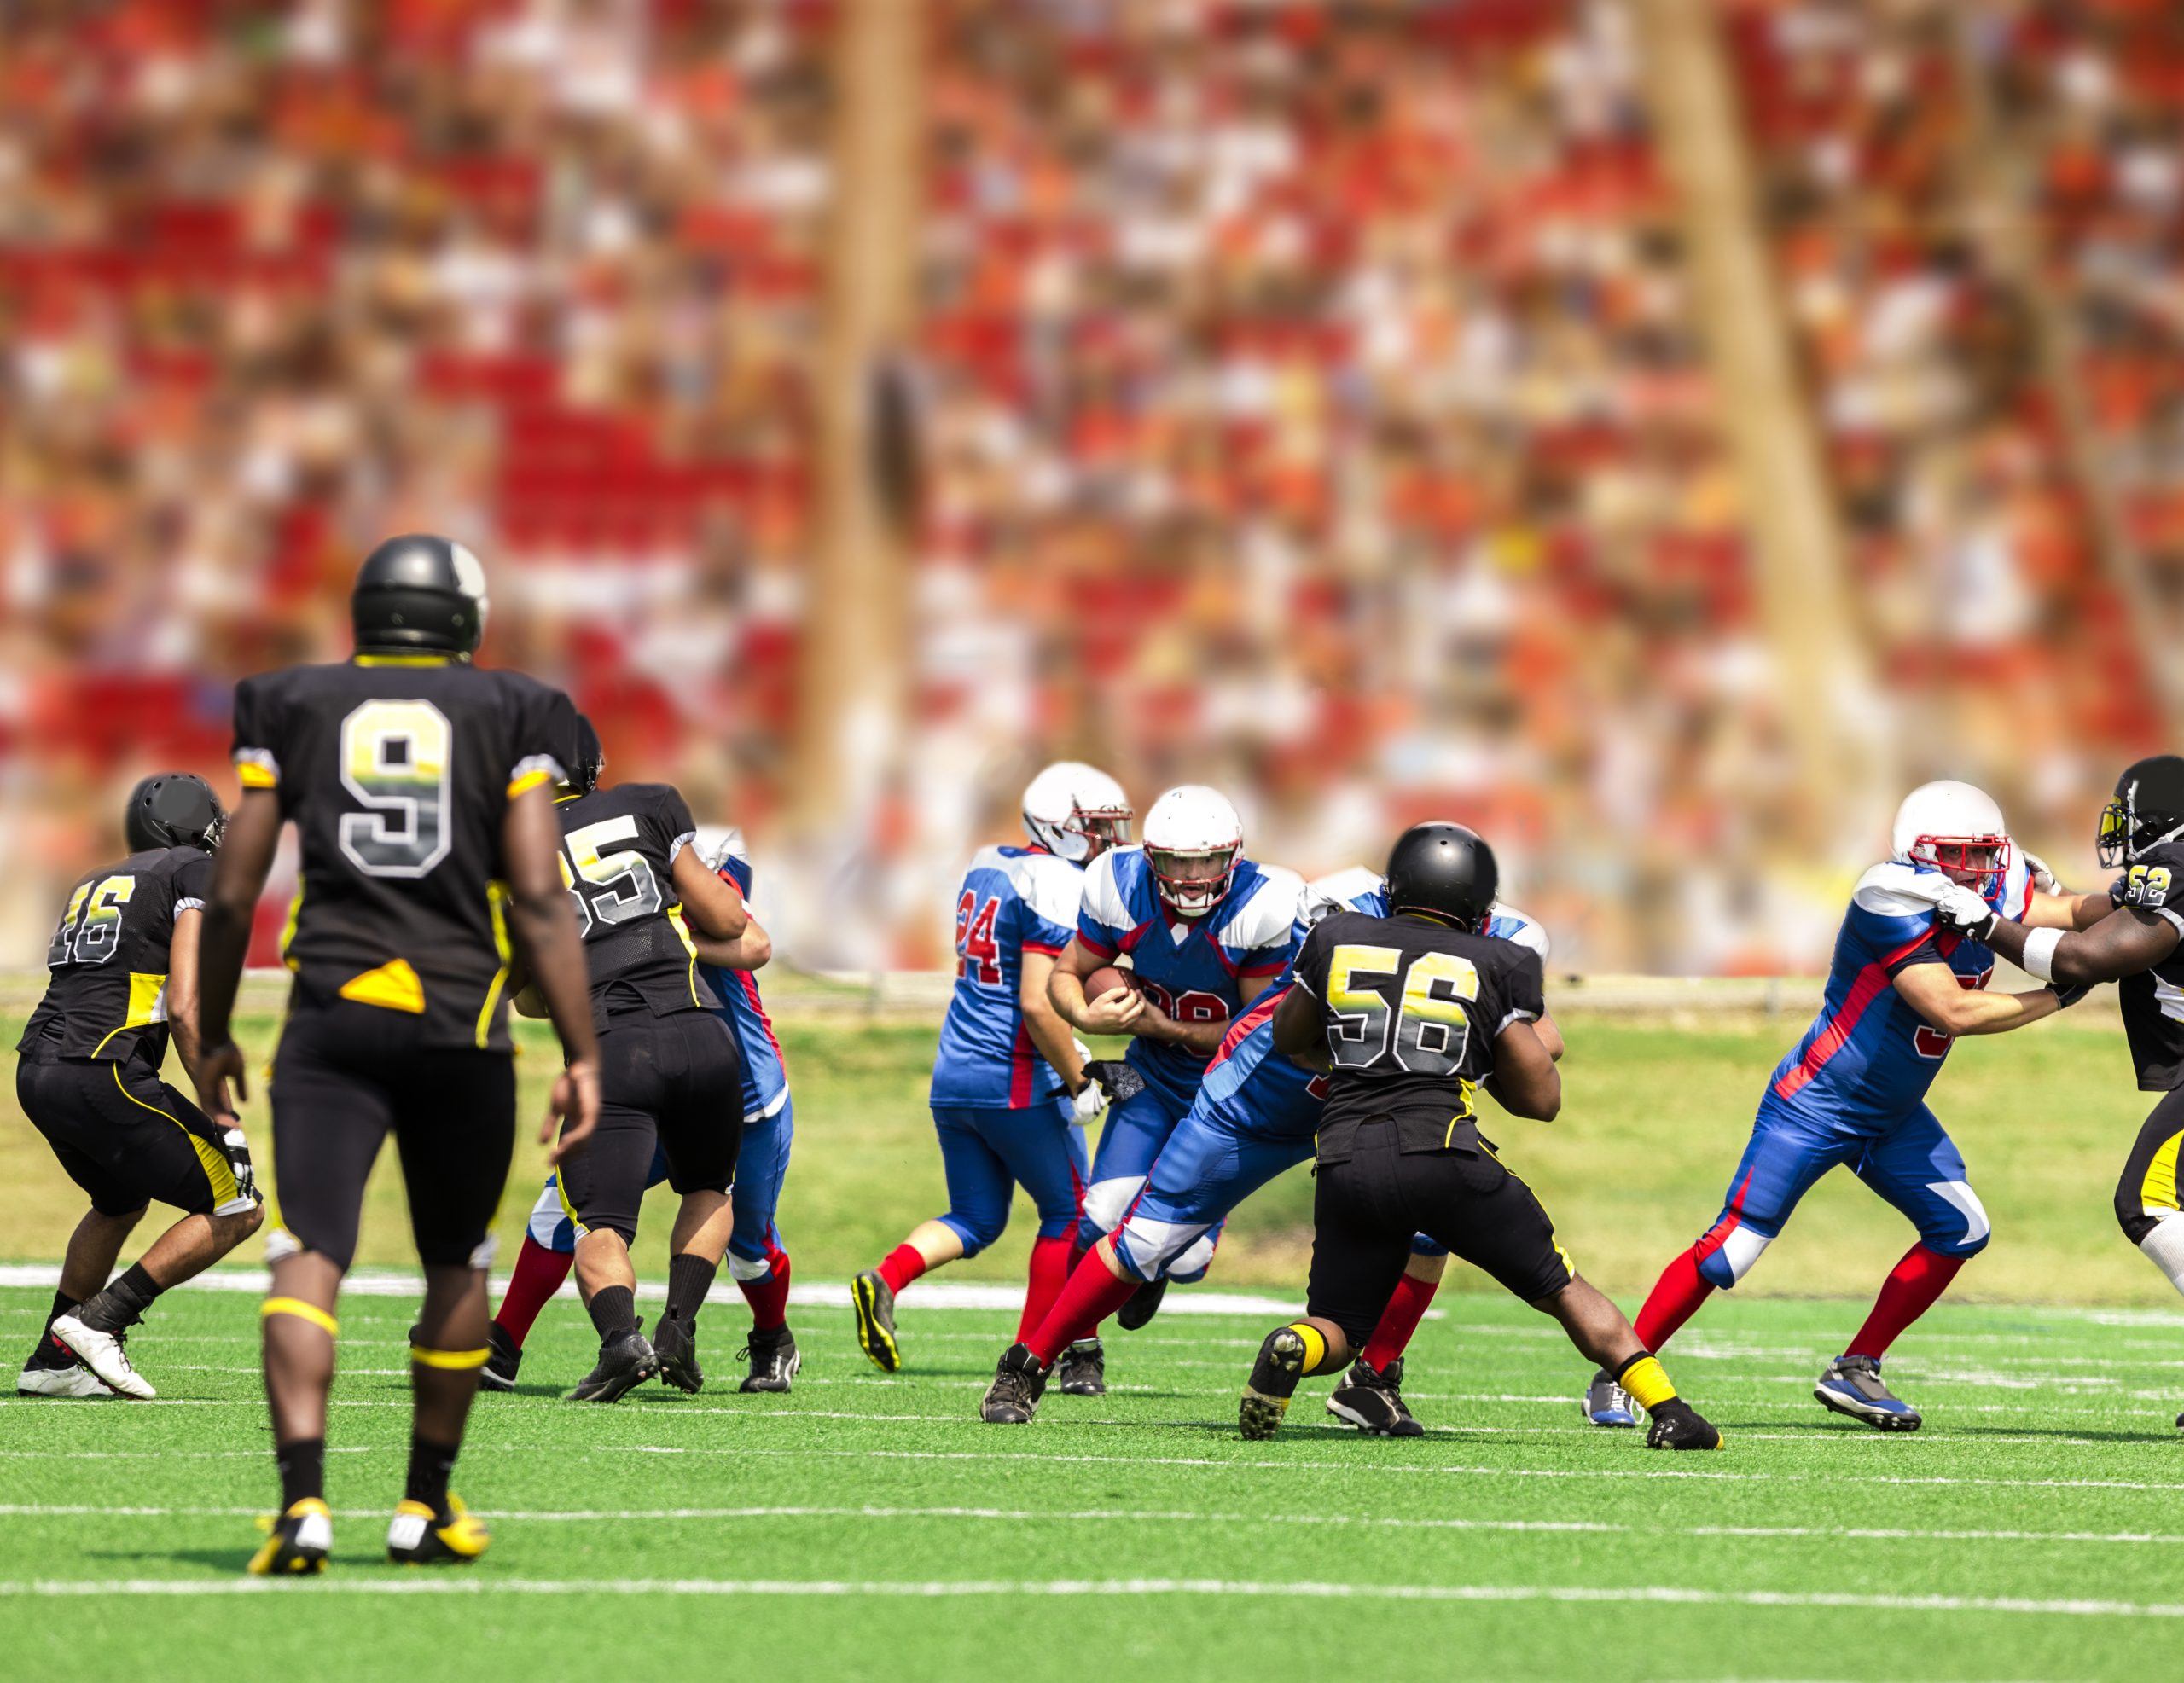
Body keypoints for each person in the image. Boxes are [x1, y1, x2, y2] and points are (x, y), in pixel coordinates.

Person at [194, 534, 601, 1575]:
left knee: (309, 1250)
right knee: (455, 1256)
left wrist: (209, 1029)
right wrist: (583, 1047)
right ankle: (423, 1503)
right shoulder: (513, 707)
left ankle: (302, 1505)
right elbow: (539, 892)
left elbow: (235, 886)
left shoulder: (288, 698)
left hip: (330, 1014)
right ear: (463, 615)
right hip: (458, 1019)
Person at [981, 855, 1558, 1432]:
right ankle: (1028, 1363)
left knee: (1431, 1230)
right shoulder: (1340, 910)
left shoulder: (1507, 936)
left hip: (1370, 1117)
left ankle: (1372, 1381)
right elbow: (1316, 1034)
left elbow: (1545, 1039)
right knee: (1146, 1241)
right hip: (1260, 1103)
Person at [1610, 781, 2081, 1434]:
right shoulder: (1890, 896)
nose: (1977, 870)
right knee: (1733, 1248)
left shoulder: (1997, 886)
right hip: (1817, 1103)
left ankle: (1857, 1367)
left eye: (1984, 854)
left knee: (1962, 1227)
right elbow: (1952, 1009)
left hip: (1891, 1113)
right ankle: (1618, 1370)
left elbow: (2073, 911)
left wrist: (2152, 905)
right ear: (1918, 853)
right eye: (1958, 854)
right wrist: (2059, 996)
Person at [1244, 821, 1722, 1450]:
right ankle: (1671, 1410)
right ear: (1479, 904)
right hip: (1441, 1153)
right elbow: (1541, 1099)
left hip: (1344, 1156)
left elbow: (1289, 1038)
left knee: (1336, 1326)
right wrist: (1478, 1050)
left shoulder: (1336, 936)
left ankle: (1293, 1346)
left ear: (1395, 887)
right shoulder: (1498, 958)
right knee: (1561, 1286)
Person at [488, 824, 800, 1393]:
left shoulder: (703, 879)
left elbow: (754, 944)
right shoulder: (615, 896)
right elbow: (535, 1000)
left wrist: (665, 935)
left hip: (744, 1094)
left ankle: (770, 1337)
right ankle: (502, 1346)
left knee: (749, 1247)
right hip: (647, 1079)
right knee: (564, 1207)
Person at [852, 763, 1135, 1380]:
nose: (1109, 841)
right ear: (1058, 827)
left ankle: (886, 1277)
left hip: (954, 1071)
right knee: (1072, 1214)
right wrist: (1080, 1077)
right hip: (1015, 1077)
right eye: (1096, 828)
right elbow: (1036, 1000)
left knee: (978, 1217)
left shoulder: (989, 862)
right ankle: (1038, 1350)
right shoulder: (1053, 881)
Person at [1933, 755, 2184, 1426]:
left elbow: (2087, 959)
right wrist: (2047, 904)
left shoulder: (2177, 865)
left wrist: (1986, 925)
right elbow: (2102, 923)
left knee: (2146, 1202)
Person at [507, 717, 751, 1402]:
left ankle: (621, 1341)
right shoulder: (650, 802)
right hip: (701, 1027)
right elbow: (731, 922)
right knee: (709, 1186)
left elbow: (526, 996)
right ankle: (678, 1327)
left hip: (611, 1045)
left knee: (599, 1223)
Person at [1039, 785, 1301, 1378]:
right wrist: (1084, 1014)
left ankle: (1153, 1268)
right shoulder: (1119, 883)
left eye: (1205, 860)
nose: (1189, 876)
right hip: (1150, 1077)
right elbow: (1067, 972)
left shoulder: (1265, 905)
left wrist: (1163, 1024)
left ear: (1231, 857)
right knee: (1100, 1213)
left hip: (1226, 1093)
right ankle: (1082, 1349)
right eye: (1176, 860)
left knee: (1189, 1260)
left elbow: (1254, 1031)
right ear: (1152, 856)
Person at [20, 774, 264, 1400]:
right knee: (238, 1203)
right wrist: (225, 1117)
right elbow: (185, 1005)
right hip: (100, 1067)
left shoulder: (94, 879)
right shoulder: (191, 869)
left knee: (120, 1200)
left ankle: (53, 1356)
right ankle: (100, 1320)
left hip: (38, 1067)